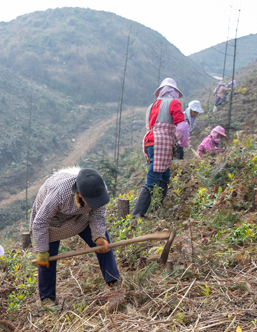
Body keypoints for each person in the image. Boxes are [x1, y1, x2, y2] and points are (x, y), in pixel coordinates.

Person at [31, 167, 120, 311]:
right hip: (52, 222)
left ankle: (113, 281)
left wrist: (99, 237)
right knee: (48, 258)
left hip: (81, 217)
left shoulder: (99, 189)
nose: (95, 202)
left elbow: (97, 216)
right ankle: (48, 299)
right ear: (79, 193)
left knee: (104, 245)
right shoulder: (59, 193)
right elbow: (40, 222)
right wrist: (41, 250)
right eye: (91, 200)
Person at [132, 78, 190, 218]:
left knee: (165, 175)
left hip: (149, 142)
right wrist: (183, 143)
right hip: (161, 142)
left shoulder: (152, 106)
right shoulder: (174, 103)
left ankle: (158, 207)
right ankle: (137, 214)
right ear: (173, 91)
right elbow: (181, 127)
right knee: (153, 177)